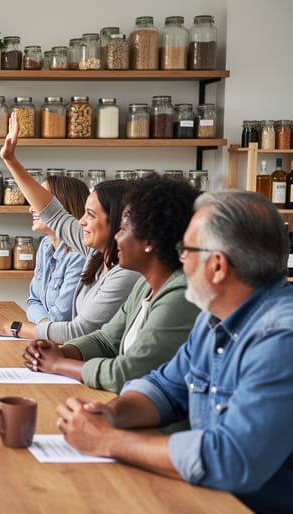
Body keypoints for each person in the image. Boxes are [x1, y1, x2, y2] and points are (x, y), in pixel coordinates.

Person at [56, 191, 293, 513]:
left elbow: (231, 459)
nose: (179, 258)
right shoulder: (214, 317)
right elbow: (166, 387)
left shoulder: (279, 339)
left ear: (218, 266)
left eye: (186, 249)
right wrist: (110, 414)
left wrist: (109, 441)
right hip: (201, 493)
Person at [22, 175, 201, 392]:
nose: (116, 239)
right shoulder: (144, 286)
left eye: (123, 230)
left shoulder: (178, 294)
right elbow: (105, 340)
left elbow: (125, 372)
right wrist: (63, 351)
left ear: (149, 241)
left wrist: (59, 363)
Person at [0, 113, 140, 342]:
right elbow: (53, 212)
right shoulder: (95, 253)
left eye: (91, 215)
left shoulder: (124, 274)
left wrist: (11, 326)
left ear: (117, 222)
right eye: (83, 213)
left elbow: (77, 331)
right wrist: (10, 159)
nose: (81, 221)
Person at [25, 175, 88, 324]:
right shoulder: (46, 245)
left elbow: (61, 319)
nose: (30, 209)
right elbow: (33, 301)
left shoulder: (79, 254)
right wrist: (45, 326)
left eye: (39, 201)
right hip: (49, 337)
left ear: (60, 207)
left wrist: (44, 328)